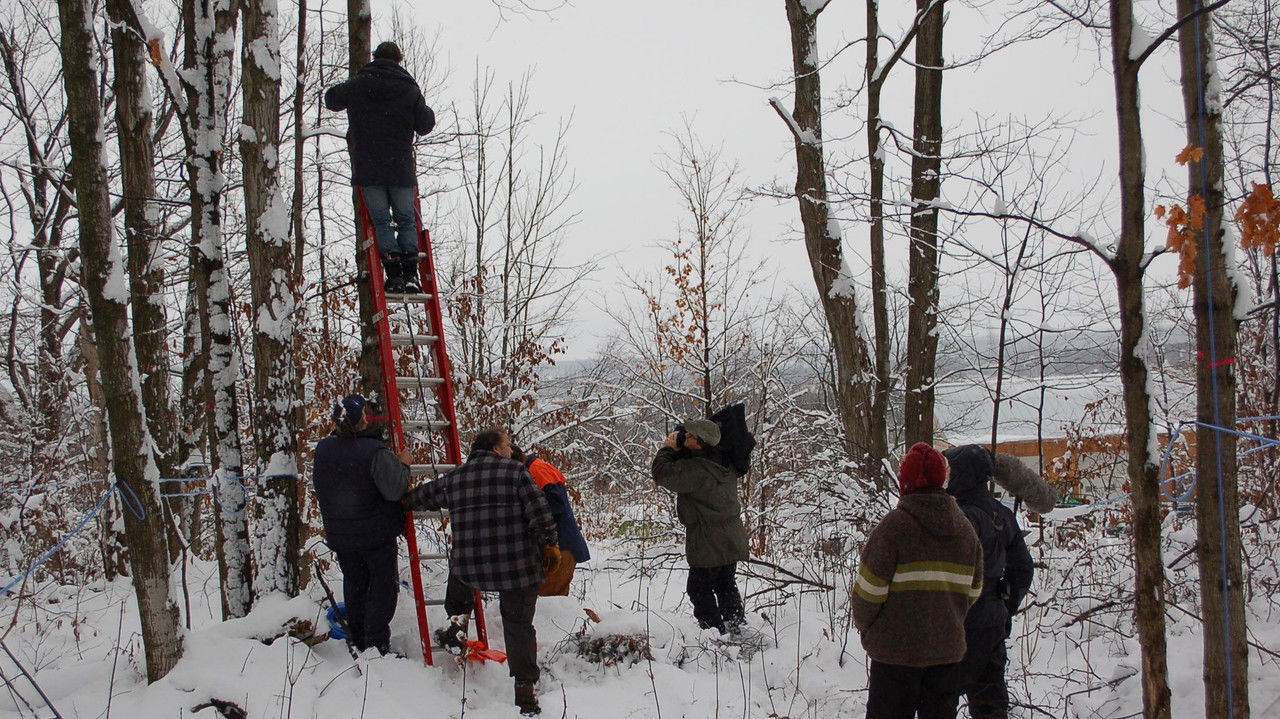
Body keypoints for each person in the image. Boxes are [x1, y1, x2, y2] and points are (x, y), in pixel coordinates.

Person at [404, 427, 558, 716]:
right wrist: (550, 544)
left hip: (473, 567)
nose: (512, 450)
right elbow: (541, 514)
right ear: (496, 449)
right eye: (508, 445)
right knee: (518, 626)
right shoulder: (516, 473)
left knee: (459, 570)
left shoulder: (457, 478)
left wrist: (400, 495)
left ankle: (456, 627)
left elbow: (419, 498)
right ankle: (525, 693)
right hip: (517, 568)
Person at [851, 442, 983, 719]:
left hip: (894, 655)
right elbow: (973, 590)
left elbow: (867, 594)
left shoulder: (893, 529)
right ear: (943, 480)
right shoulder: (966, 531)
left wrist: (869, 631)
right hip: (946, 655)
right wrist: (947, 618)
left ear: (905, 483)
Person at [324, 40, 436, 294]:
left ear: (375, 58)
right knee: (406, 220)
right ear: (399, 60)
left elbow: (331, 99)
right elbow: (426, 125)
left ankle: (393, 275)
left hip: (369, 166)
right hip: (400, 167)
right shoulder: (409, 89)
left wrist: (356, 91)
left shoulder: (360, 84)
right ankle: (411, 275)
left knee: (381, 222)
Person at [312, 394, 411, 655]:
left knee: (355, 584)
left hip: (342, 535)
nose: (368, 417)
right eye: (364, 414)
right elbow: (394, 489)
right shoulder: (373, 452)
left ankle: (356, 635)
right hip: (375, 534)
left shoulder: (323, 449)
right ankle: (376, 643)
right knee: (381, 588)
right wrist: (403, 465)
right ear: (359, 421)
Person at [942, 445, 1035, 719]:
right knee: (991, 703)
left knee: (941, 698)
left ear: (961, 474)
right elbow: (1023, 568)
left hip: (959, 622)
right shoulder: (1002, 515)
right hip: (993, 622)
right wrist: (1007, 604)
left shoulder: (956, 516)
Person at [651, 419, 749, 634]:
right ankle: (735, 625)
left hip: (707, 538)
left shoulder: (697, 470)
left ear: (702, 443)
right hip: (731, 534)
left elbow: (661, 473)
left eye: (691, 436)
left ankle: (714, 633)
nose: (685, 436)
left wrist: (667, 449)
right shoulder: (725, 460)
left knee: (698, 589)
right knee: (725, 582)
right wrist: (684, 450)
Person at [511, 445, 591, 596]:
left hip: (561, 545)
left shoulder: (538, 470)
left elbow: (556, 505)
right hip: (556, 543)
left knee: (551, 601)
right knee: (551, 601)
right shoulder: (534, 468)